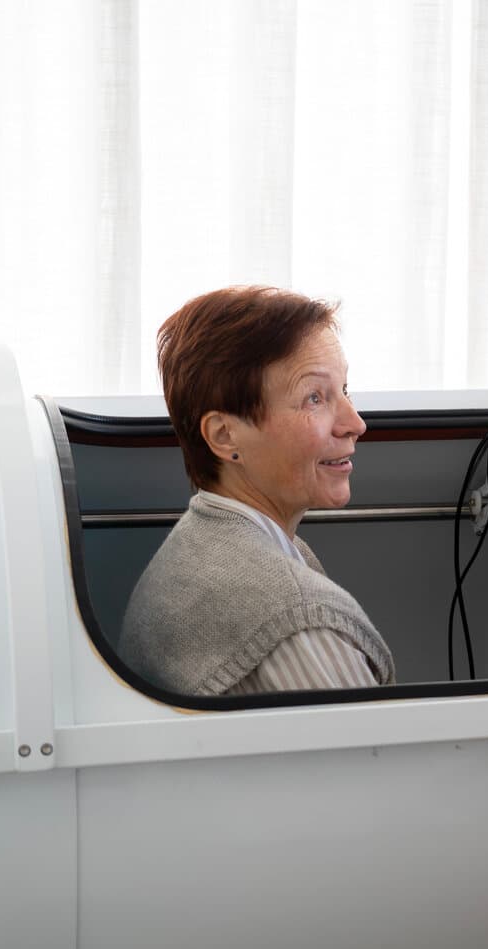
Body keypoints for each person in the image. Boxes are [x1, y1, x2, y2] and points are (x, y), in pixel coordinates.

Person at [119, 285, 395, 696]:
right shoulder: (299, 623)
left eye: (345, 391)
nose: (355, 423)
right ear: (225, 436)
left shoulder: (195, 549)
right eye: (314, 398)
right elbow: (378, 760)